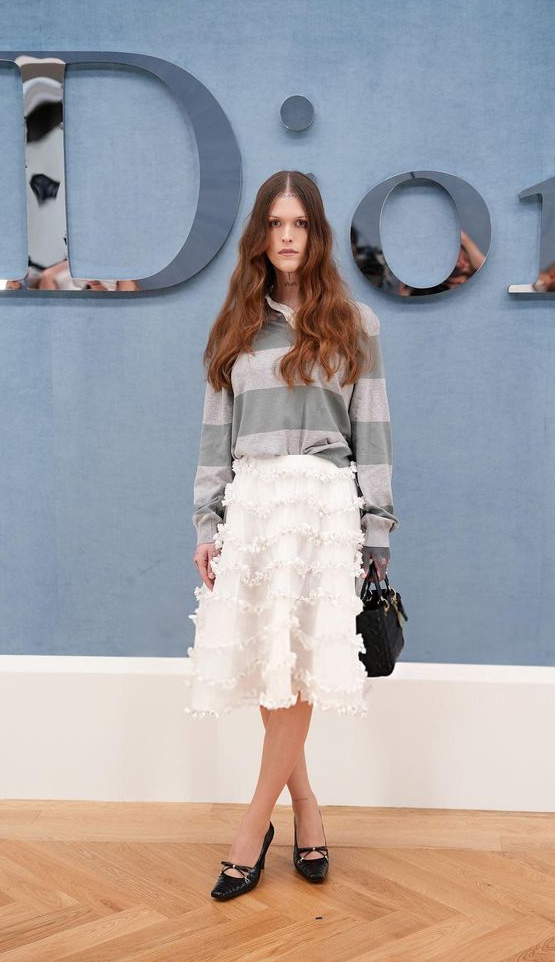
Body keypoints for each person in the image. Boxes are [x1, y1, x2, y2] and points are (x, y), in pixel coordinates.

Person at [184, 170, 398, 900]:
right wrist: (206, 522)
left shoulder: (354, 324)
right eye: (275, 223)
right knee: (270, 665)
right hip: (253, 506)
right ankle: (305, 807)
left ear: (316, 233)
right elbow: (216, 437)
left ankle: (252, 828)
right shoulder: (234, 327)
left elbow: (372, 432)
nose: (285, 236)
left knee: (299, 664)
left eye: (299, 223)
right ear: (259, 234)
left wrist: (377, 531)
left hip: (321, 505)